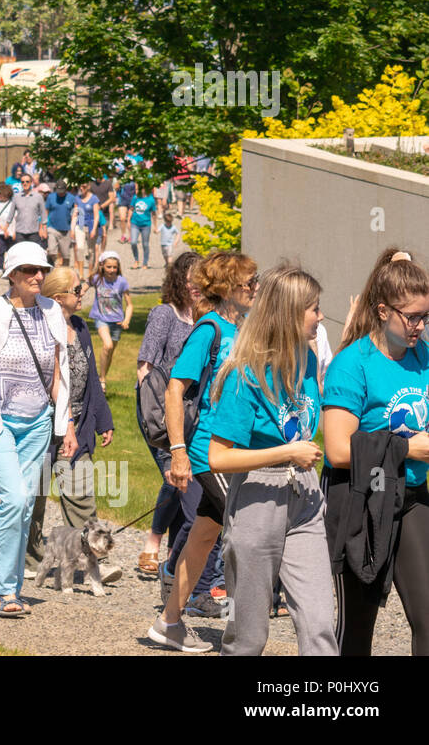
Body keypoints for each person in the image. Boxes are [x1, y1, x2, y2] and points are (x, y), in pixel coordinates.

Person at [204, 264, 337, 655]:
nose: (320, 316)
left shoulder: (309, 360)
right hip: (257, 497)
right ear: (288, 313)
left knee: (318, 623)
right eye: (313, 308)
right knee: (249, 635)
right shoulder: (244, 375)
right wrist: (287, 452)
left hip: (305, 496)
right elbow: (218, 458)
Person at [0, 242, 76, 617]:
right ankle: (5, 589)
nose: (38, 276)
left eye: (42, 269)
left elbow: (57, 376)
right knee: (18, 497)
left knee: (21, 507)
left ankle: (10, 588)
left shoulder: (53, 312)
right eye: (28, 270)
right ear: (11, 275)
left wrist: (65, 422)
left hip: (38, 423)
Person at [149, 250, 257, 653]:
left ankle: (168, 623)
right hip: (209, 451)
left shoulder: (243, 328)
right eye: (249, 283)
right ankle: (244, 629)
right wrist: (178, 452)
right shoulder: (208, 330)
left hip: (235, 447)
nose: (255, 289)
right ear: (228, 289)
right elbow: (175, 389)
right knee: (246, 531)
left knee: (203, 536)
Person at [323, 252, 429, 655]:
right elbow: (335, 449)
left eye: (425, 316)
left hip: (411, 498)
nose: (419, 326)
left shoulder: (425, 357)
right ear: (383, 310)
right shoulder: (353, 364)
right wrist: (406, 448)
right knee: (357, 633)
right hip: (361, 502)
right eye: (412, 316)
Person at [23, 267, 120, 580]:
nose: (83, 294)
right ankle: (29, 557)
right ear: (58, 297)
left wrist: (104, 419)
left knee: (81, 495)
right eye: (78, 290)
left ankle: (91, 562)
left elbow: (91, 378)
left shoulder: (80, 327)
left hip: (77, 425)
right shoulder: (40, 329)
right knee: (34, 497)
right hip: (41, 425)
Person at [135, 252, 220, 596]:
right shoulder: (163, 315)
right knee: (177, 478)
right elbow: (145, 368)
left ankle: (176, 567)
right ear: (181, 281)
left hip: (194, 415)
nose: (196, 285)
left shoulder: (206, 319)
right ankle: (163, 552)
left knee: (186, 490)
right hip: (162, 412)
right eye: (192, 278)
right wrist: (155, 418)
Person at [88, 251, 132, 381]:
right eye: (109, 267)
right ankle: (102, 381)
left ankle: (102, 377)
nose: (112, 270)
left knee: (109, 353)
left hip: (117, 321)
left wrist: (126, 320)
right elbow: (82, 289)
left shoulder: (121, 282)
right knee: (108, 345)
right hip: (101, 318)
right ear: (102, 266)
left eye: (115, 267)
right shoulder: (97, 279)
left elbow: (129, 305)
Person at [44, 181, 75, 268]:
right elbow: (46, 211)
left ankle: (64, 271)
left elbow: (75, 214)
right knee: (52, 251)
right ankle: (56, 265)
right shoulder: (51, 197)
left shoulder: (71, 198)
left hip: (66, 229)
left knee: (66, 255)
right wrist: (44, 226)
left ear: (65, 190)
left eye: (62, 191)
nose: (60, 193)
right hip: (52, 228)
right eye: (58, 191)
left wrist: (74, 229)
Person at [73, 184, 99, 275]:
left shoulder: (94, 199)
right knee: (80, 248)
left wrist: (94, 229)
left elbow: (96, 215)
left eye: (83, 186)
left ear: (88, 186)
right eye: (80, 187)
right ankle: (81, 274)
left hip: (91, 225)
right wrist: (72, 228)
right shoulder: (77, 198)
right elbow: (75, 214)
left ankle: (90, 273)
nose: (81, 188)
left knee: (91, 250)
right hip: (80, 224)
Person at [129, 183, 156, 269]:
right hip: (135, 223)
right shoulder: (135, 197)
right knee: (133, 242)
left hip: (146, 224)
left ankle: (145, 263)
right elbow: (131, 208)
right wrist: (128, 220)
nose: (140, 190)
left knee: (145, 244)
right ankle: (136, 260)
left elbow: (154, 213)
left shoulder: (151, 199)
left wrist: (155, 226)